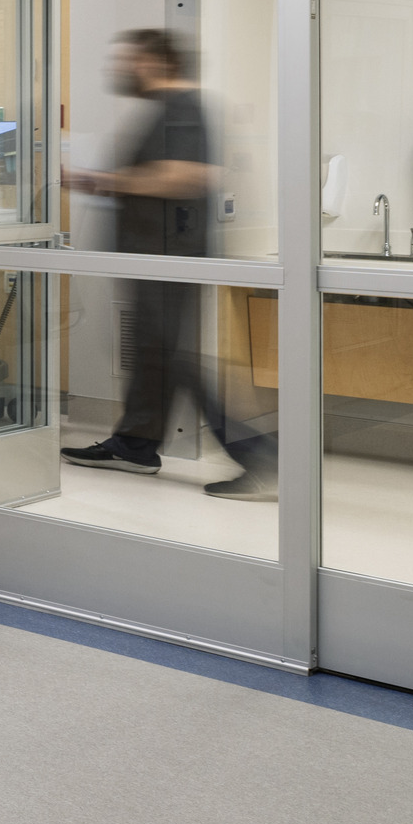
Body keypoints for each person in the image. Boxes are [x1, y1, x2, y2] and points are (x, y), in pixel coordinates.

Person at [58, 27, 274, 500]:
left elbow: (185, 177)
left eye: (125, 59)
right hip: (154, 257)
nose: (115, 69)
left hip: (171, 258)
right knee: (156, 357)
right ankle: (135, 444)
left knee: (173, 359)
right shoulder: (164, 111)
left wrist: (97, 180)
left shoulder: (183, 109)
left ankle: (262, 458)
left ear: (154, 62)